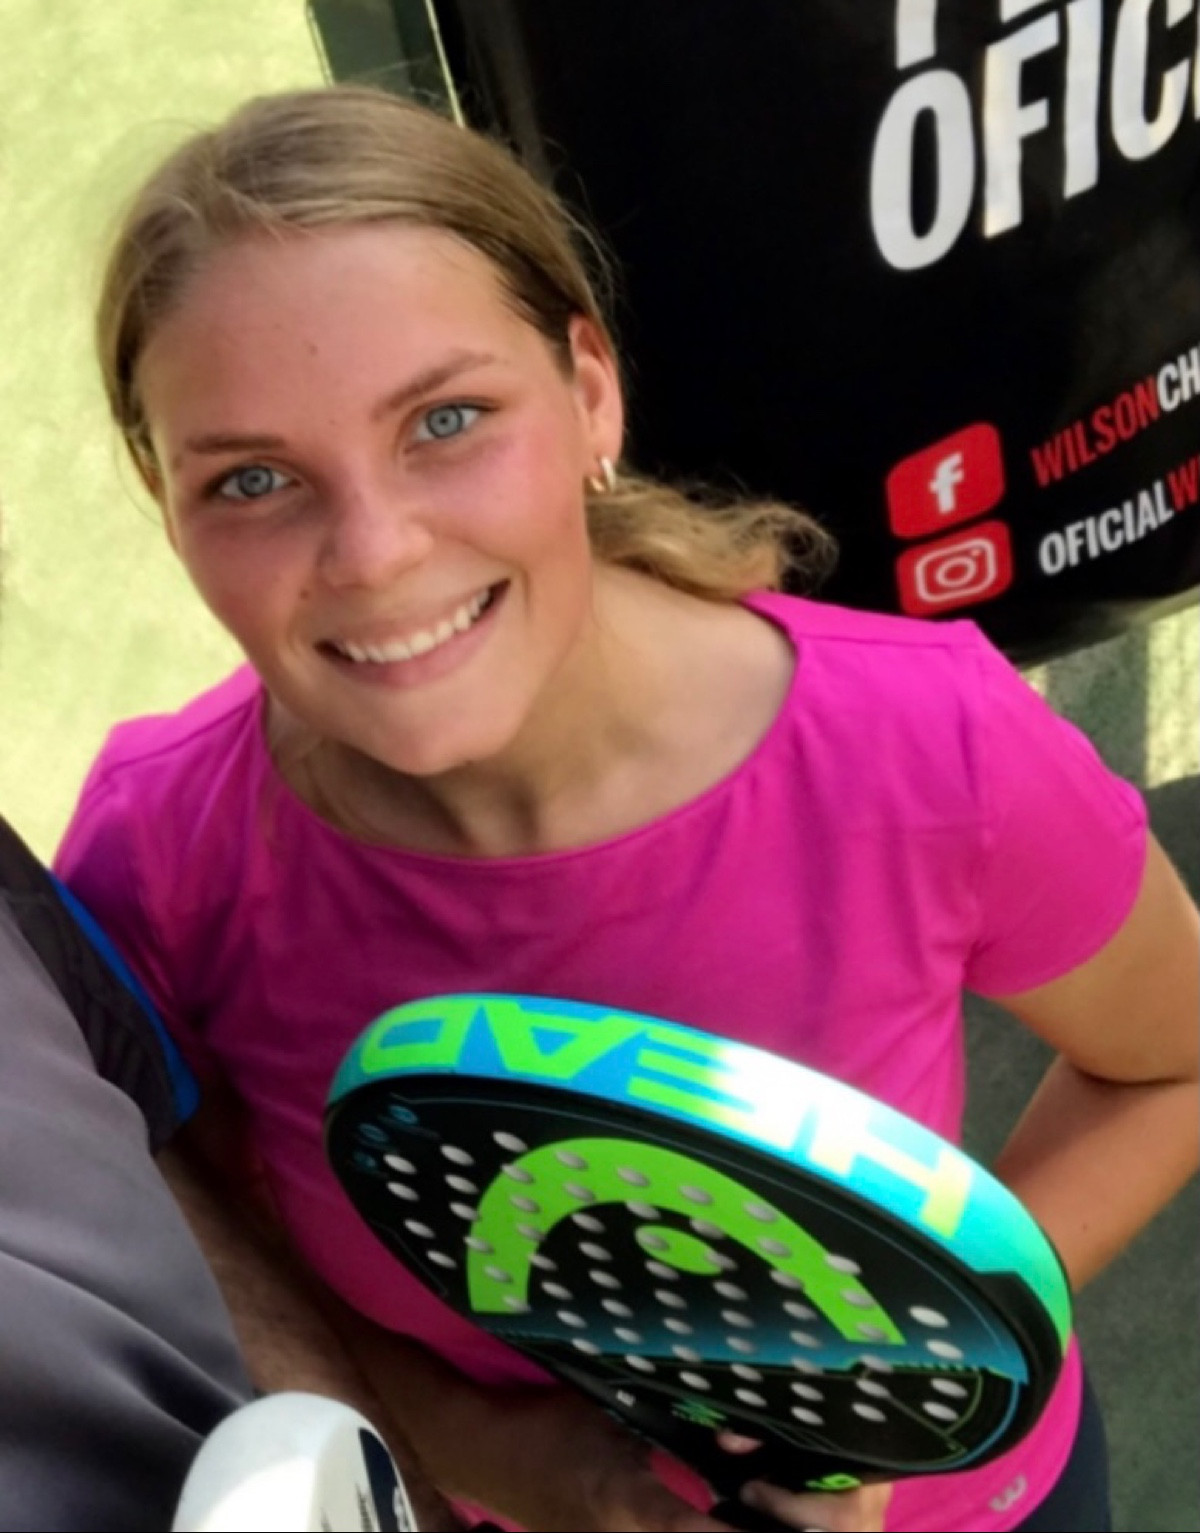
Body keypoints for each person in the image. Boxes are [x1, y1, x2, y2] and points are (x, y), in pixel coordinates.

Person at [55, 84, 1199, 1533]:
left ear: (590, 390)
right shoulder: (152, 863)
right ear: (161, 497)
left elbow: (1170, 1064)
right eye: (254, 478)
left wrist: (896, 1388)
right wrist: (524, 1465)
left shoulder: (928, 746)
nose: (374, 551)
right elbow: (218, 1245)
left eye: (448, 419)